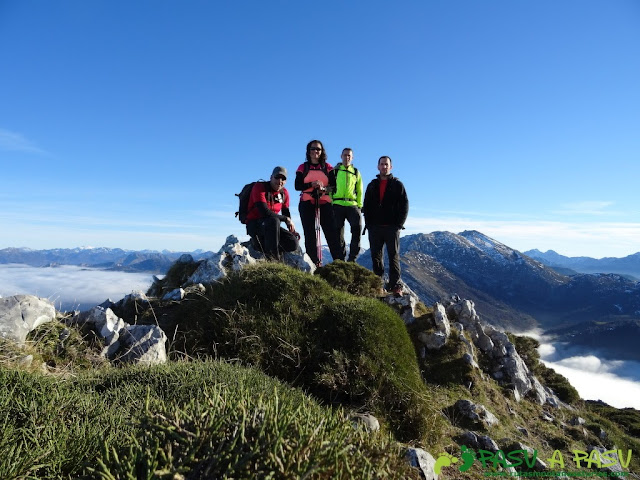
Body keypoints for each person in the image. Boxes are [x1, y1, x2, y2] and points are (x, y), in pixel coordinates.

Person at [362, 156, 409, 296]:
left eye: (386, 164)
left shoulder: (397, 184)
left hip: (391, 227)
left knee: (393, 256)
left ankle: (395, 285)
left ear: (391, 167)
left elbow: (404, 205)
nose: (384, 167)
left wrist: (399, 224)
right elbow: (367, 205)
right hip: (375, 227)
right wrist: (369, 223)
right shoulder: (372, 185)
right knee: (376, 256)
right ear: (378, 167)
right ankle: (378, 284)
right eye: (382, 164)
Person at [295, 139, 342, 267]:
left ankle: (339, 264)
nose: (316, 151)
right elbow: (297, 185)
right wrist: (312, 184)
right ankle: (314, 264)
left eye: (318, 149)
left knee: (331, 233)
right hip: (307, 202)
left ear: (322, 152)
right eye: (313, 149)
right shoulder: (302, 167)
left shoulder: (328, 167)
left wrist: (324, 189)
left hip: (324, 202)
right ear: (308, 151)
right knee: (310, 234)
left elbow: (334, 187)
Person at [245, 166, 299, 261]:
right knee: (274, 220)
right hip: (255, 224)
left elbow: (285, 212)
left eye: (283, 179)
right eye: (277, 177)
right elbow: (264, 211)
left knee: (293, 243)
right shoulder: (260, 187)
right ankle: (272, 258)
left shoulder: (284, 193)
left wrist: (291, 229)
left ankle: (263, 246)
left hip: (272, 227)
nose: (280, 181)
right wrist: (286, 219)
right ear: (271, 177)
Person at [331, 148, 363, 262]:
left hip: (352, 204)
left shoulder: (355, 172)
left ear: (352, 157)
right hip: (337, 204)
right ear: (341, 156)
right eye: (345, 155)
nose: (347, 157)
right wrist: (332, 202)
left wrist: (359, 205)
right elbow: (331, 187)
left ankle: (352, 258)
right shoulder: (335, 171)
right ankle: (341, 258)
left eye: (349, 155)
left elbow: (359, 190)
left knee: (357, 228)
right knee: (338, 233)